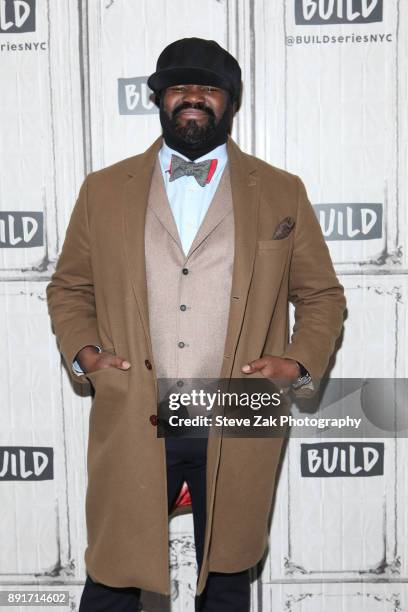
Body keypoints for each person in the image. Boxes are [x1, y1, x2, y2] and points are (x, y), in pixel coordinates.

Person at [46, 37, 346, 612]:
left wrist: (298, 362)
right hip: (135, 404)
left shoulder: (282, 190)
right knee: (112, 578)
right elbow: (69, 287)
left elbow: (322, 294)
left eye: (209, 89)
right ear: (159, 99)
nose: (194, 98)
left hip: (238, 405)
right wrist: (86, 353)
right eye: (181, 87)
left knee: (227, 577)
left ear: (230, 103)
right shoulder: (103, 189)